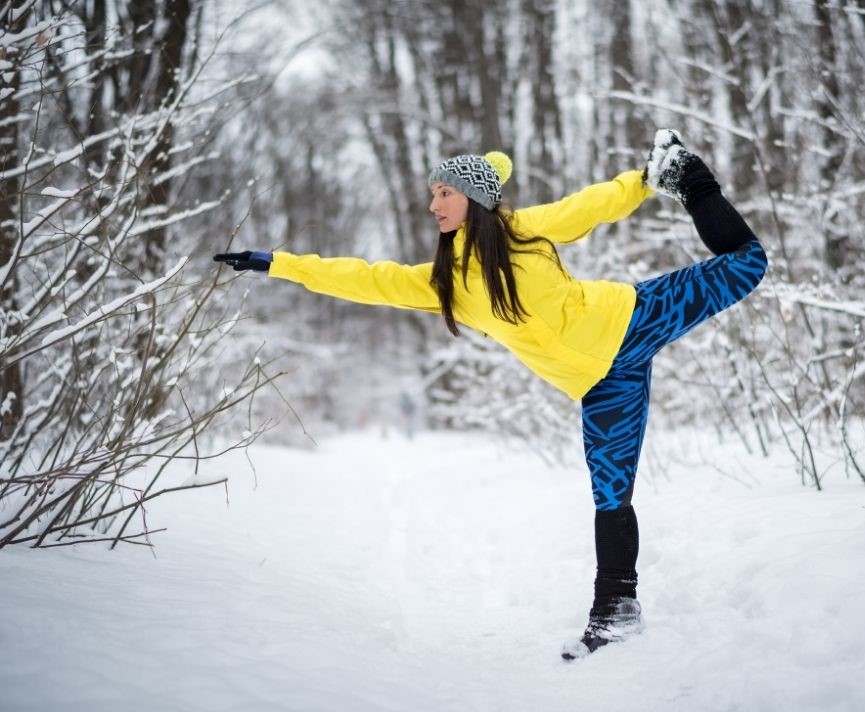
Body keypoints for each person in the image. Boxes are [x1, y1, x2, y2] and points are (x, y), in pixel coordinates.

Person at [214, 129, 768, 660]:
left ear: (474, 198)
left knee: (747, 264)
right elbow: (364, 276)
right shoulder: (445, 282)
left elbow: (590, 206)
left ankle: (686, 173)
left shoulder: (525, 230)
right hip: (602, 384)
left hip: (633, 318)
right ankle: (616, 613)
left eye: (444, 193)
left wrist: (646, 180)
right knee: (610, 494)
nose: (433, 204)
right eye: (432, 194)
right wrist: (280, 264)